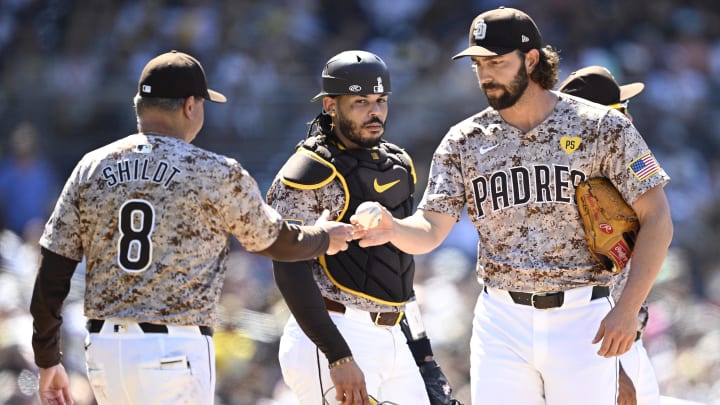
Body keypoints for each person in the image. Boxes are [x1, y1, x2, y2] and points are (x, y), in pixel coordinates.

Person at [357, 7, 673, 405]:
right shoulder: (465, 140)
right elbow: (432, 226)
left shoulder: (599, 126)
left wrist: (627, 310)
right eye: (478, 63)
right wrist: (393, 229)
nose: (485, 73)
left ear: (532, 59)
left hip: (581, 313)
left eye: (497, 62)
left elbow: (657, 218)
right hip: (501, 318)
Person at [29, 50, 356, 405]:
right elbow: (272, 240)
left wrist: (47, 358)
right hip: (172, 349)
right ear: (190, 106)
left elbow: (53, 269)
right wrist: (323, 238)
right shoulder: (213, 171)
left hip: (105, 352)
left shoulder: (91, 167)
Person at [267, 50, 456, 405]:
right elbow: (287, 268)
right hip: (333, 331)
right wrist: (337, 355)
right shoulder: (308, 170)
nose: (375, 111)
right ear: (330, 105)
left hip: (393, 336)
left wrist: (423, 353)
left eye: (381, 100)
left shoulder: (398, 165)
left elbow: (400, 266)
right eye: (360, 101)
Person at [558, 65, 662, 405]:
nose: (628, 122)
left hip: (625, 340)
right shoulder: (578, 187)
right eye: (621, 112)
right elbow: (563, 289)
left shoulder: (614, 172)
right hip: (601, 348)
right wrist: (613, 371)